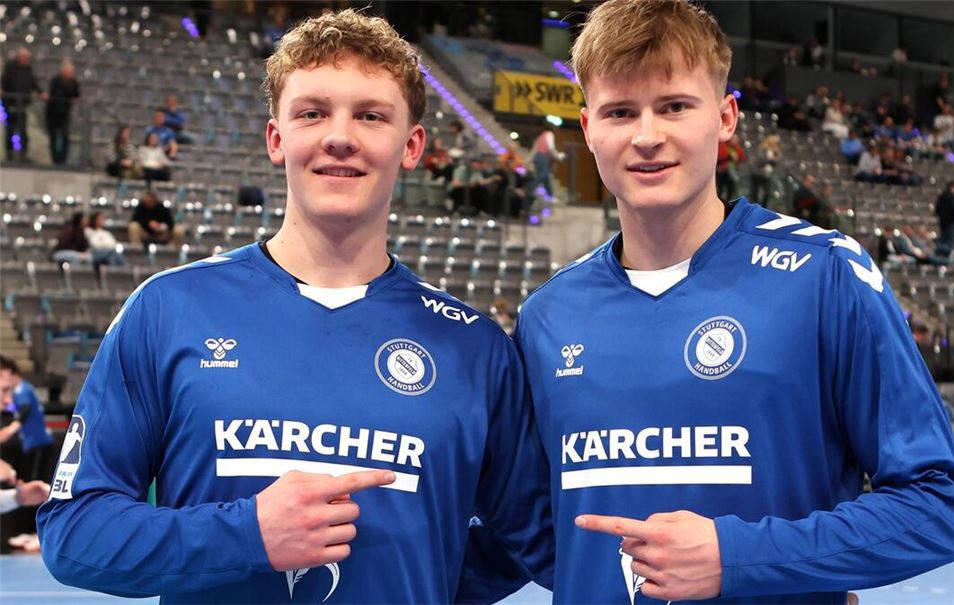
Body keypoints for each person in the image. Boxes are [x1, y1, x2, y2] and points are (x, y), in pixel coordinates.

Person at [37, 10, 552, 604]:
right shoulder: (167, 310)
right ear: (276, 139)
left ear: (411, 146)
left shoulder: (475, 347)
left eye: (371, 115)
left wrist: (420, 573)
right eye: (312, 113)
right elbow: (75, 533)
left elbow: (535, 540)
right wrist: (245, 535)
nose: (340, 136)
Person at [472, 1, 954, 603]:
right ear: (587, 129)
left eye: (675, 106)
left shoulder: (824, 274)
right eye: (620, 111)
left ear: (726, 117)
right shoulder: (547, 315)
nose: (647, 136)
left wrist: (738, 556)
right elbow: (530, 534)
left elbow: (935, 506)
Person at [0, 357, 53, 482]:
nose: (7, 399)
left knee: (33, 478)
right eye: (4, 390)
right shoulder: (20, 390)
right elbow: (15, 408)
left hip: (36, 441)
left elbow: (24, 409)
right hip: (32, 441)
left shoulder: (22, 388)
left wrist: (11, 429)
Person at [1, 47, 44, 162]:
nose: (27, 60)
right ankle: (9, 153)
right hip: (10, 102)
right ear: (20, 57)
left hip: (23, 103)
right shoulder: (10, 67)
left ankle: (23, 153)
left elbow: (33, 82)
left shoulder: (28, 69)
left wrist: (41, 92)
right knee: (10, 129)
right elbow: (4, 80)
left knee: (23, 129)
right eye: (25, 57)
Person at [45, 60, 81, 165]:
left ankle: (63, 159)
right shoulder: (55, 80)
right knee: (53, 137)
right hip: (53, 113)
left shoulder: (74, 82)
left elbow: (76, 94)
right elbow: (56, 94)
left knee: (65, 136)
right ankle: (54, 159)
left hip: (65, 113)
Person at [530, 128, 565, 200]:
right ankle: (530, 187)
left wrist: (530, 160)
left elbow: (534, 149)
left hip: (537, 157)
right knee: (544, 175)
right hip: (542, 157)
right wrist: (558, 156)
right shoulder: (549, 134)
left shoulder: (540, 137)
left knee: (546, 178)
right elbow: (551, 147)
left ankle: (550, 196)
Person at [934, 180, 954, 258]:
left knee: (943, 239)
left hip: (942, 221)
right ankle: (945, 257)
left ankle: (939, 255)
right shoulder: (953, 197)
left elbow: (937, 209)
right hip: (951, 221)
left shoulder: (942, 196)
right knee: (948, 240)